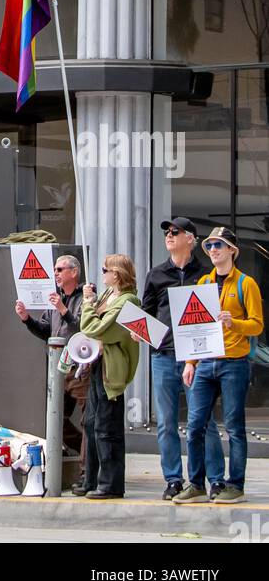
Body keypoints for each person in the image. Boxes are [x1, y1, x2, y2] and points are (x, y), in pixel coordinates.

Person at [173, 226, 264, 507]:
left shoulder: (245, 283)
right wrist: (190, 361)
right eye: (210, 246)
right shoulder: (203, 284)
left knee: (235, 427)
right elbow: (194, 328)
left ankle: (235, 485)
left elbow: (257, 325)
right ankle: (197, 484)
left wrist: (232, 322)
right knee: (194, 425)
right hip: (205, 362)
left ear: (232, 251)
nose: (213, 250)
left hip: (233, 363)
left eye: (218, 246)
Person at [141, 216, 225, 500]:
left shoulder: (205, 275)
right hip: (164, 356)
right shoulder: (156, 274)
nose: (169, 235)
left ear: (191, 238)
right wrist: (140, 331)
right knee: (165, 422)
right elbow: (147, 313)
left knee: (203, 422)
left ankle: (214, 480)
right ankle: (174, 480)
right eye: (166, 232)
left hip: (197, 357)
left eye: (175, 232)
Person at [14, 253, 88, 486]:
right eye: (55, 270)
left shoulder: (84, 297)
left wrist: (64, 309)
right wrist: (27, 319)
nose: (55, 273)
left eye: (60, 269)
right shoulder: (54, 301)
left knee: (88, 419)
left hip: (79, 366)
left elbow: (83, 328)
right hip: (59, 366)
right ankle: (85, 449)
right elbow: (47, 331)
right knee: (55, 419)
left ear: (73, 272)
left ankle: (86, 470)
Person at [77, 253, 140, 499]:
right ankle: (91, 479)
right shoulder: (108, 296)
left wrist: (87, 304)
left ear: (116, 274)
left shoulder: (127, 300)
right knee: (92, 423)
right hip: (98, 365)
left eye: (105, 269)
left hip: (110, 370)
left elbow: (95, 328)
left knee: (107, 427)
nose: (102, 273)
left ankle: (110, 483)